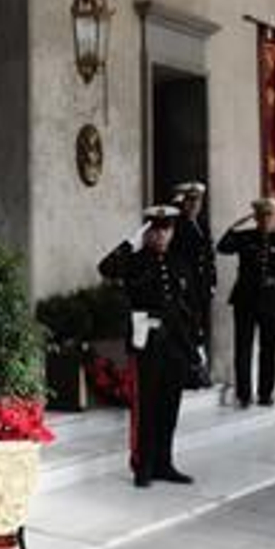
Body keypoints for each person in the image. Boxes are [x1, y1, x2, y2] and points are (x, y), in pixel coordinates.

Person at [98, 205, 196, 488]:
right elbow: (106, 268)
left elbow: (189, 306)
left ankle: (164, 463)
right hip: (147, 342)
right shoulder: (135, 261)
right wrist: (131, 242)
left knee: (169, 406)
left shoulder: (179, 262)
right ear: (148, 232)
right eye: (156, 230)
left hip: (175, 342)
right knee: (147, 406)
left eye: (167, 230)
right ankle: (144, 466)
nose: (162, 235)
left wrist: (194, 345)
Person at [216, 197, 275, 407]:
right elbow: (222, 248)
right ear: (256, 218)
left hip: (271, 300)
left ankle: (265, 393)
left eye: (270, 215)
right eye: (261, 216)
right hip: (245, 299)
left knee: (269, 350)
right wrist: (234, 228)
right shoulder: (244, 237)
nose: (266, 219)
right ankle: (244, 394)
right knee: (243, 348)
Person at [168, 182, 216, 388]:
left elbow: (208, 256)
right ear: (183, 202)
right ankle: (189, 374)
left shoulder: (202, 224)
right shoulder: (177, 225)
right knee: (187, 329)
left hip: (201, 285)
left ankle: (197, 371)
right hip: (185, 285)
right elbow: (175, 256)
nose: (195, 205)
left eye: (198, 201)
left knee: (199, 328)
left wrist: (212, 281)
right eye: (190, 201)